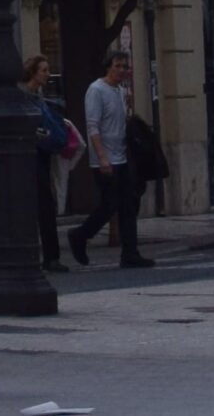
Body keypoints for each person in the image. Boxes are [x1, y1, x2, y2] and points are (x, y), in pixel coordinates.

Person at [69, 51, 155, 271]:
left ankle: (130, 253)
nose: (122, 71)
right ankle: (80, 235)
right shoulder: (96, 90)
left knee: (128, 205)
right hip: (105, 159)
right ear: (108, 67)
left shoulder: (119, 91)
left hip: (123, 156)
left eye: (125, 67)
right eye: (118, 66)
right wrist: (102, 157)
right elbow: (93, 126)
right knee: (110, 205)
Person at [21, 57, 68, 273]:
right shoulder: (26, 98)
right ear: (33, 72)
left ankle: (50, 255)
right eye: (44, 70)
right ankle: (49, 256)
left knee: (45, 205)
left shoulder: (38, 98)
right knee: (41, 206)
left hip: (41, 154)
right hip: (32, 156)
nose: (48, 74)